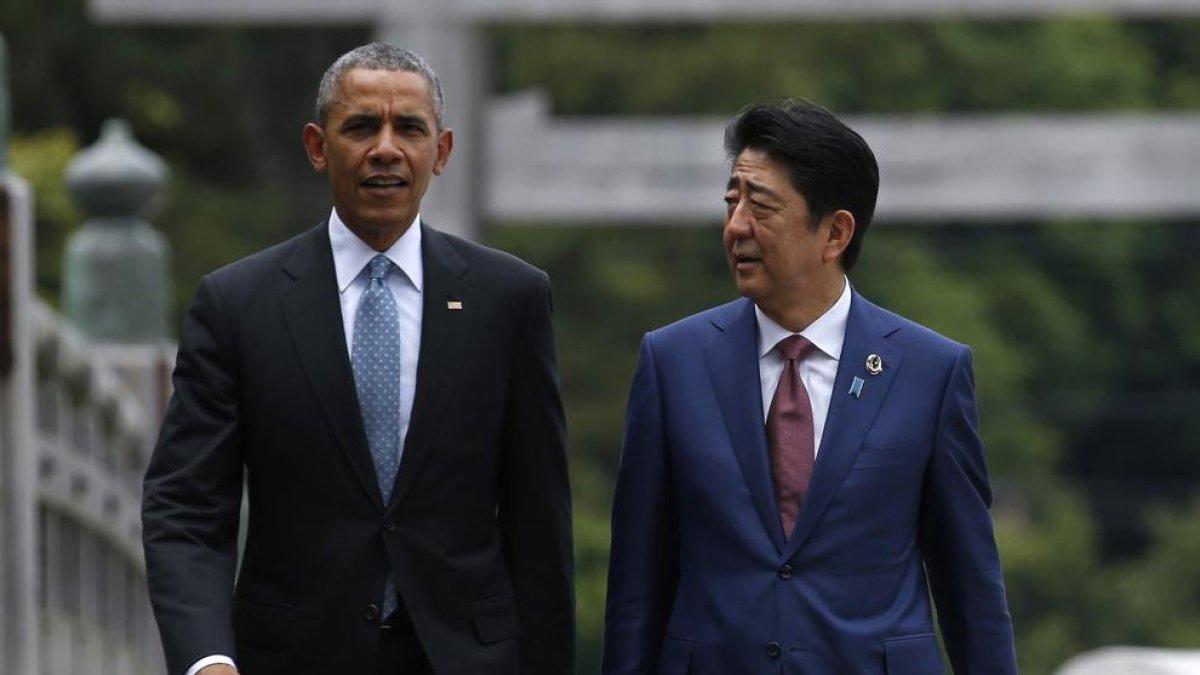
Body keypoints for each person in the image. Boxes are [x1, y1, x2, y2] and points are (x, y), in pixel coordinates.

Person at [142, 43, 574, 675]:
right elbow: (186, 506)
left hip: (467, 655)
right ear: (318, 146)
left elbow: (539, 519)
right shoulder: (238, 304)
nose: (386, 149)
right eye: (362, 126)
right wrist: (208, 658)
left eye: (409, 129)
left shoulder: (509, 299)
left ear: (442, 151)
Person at [602, 99, 1017, 674]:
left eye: (762, 207)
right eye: (732, 202)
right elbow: (635, 588)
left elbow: (972, 594)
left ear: (835, 233)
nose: (736, 227)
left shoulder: (930, 371)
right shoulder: (672, 363)